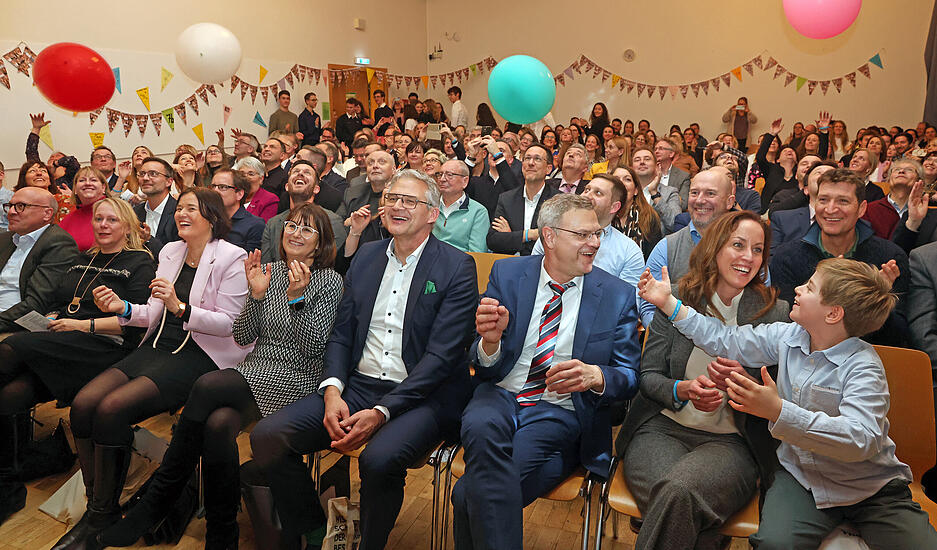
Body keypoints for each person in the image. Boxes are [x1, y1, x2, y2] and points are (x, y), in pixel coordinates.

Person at [638, 258, 937, 550]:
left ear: (832, 314)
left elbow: (861, 438)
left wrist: (777, 411)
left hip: (872, 490)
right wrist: (669, 305)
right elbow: (724, 339)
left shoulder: (864, 366)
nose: (797, 290)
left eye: (809, 287)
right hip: (802, 480)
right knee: (774, 543)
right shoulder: (788, 336)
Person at [250, 169, 478, 550]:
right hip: (359, 386)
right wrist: (333, 391)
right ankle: (316, 529)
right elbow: (342, 333)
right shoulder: (367, 257)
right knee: (268, 436)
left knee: (378, 459)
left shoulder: (456, 266)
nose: (397, 206)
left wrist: (382, 412)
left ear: (433, 214)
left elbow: (442, 357)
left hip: (424, 395)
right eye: (391, 198)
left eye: (410, 201)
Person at [97, 203, 342, 549]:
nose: (296, 233)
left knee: (208, 384)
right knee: (216, 426)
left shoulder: (328, 281)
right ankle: (221, 532)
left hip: (296, 376)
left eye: (307, 229)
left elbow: (313, 347)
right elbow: (242, 336)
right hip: (256, 370)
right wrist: (257, 296)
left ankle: (157, 500)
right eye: (291, 226)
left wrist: (297, 298)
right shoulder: (267, 271)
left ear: (320, 244)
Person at [53, 187, 250, 549]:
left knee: (112, 409)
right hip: (158, 345)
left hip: (199, 354)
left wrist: (180, 308)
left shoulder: (231, 258)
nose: (181, 214)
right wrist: (123, 308)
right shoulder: (172, 251)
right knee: (83, 404)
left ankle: (102, 512)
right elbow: (152, 314)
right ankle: (100, 510)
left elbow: (231, 325)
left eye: (191, 209)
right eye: (181, 209)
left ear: (211, 216)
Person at [452, 193, 640, 550]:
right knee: (478, 426)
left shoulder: (616, 294)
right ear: (550, 236)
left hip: (559, 408)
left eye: (597, 234)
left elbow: (630, 376)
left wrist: (596, 376)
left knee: (468, 494)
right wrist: (489, 343)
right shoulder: (508, 274)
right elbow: (481, 360)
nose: (595, 243)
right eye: (583, 235)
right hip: (500, 393)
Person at [617, 210, 788, 550]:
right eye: (738, 245)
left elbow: (782, 398)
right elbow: (648, 377)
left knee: (679, 495)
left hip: (731, 442)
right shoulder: (676, 296)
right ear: (714, 247)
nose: (748, 257)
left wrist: (744, 384)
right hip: (661, 429)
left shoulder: (775, 312)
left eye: (757, 250)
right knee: (690, 510)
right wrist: (682, 390)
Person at [0, 198, 154, 526]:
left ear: (127, 225)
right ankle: (7, 486)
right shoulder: (83, 259)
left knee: (10, 347)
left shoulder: (140, 263)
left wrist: (79, 324)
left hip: (103, 345)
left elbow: (139, 321)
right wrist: (54, 316)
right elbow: (57, 300)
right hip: (62, 341)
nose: (103, 225)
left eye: (112, 219)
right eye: (98, 219)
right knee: (9, 397)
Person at [770, 168, 909, 347]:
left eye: (843, 201)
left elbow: (898, 336)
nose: (830, 209)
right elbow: (792, 327)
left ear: (861, 209)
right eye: (823, 200)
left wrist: (878, 299)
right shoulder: (787, 257)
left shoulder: (889, 258)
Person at [639, 169, 737, 327]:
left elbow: (756, 305)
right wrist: (664, 337)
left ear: (729, 202)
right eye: (694, 193)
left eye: (710, 194)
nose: (700, 200)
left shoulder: (747, 250)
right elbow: (648, 305)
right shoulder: (667, 247)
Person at [533, 173, 645, 288]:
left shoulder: (628, 252)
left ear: (614, 207)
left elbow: (626, 300)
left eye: (598, 193)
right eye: (586, 190)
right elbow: (533, 276)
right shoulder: (555, 232)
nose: (587, 196)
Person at [0, 187, 79, 334]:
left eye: (20, 206)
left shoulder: (58, 243)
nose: (11, 212)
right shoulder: (5, 239)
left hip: (16, 326)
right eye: (9, 206)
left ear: (47, 213)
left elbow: (36, 304)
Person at [487, 143, 559, 255]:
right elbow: (493, 241)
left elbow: (557, 244)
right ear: (522, 166)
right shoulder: (506, 199)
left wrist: (512, 236)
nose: (531, 163)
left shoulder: (558, 201)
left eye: (537, 159)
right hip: (511, 266)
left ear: (548, 169)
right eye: (527, 158)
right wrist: (529, 235)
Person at [770, 162, 836, 250]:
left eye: (830, 173)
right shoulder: (782, 219)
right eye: (818, 173)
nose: (824, 175)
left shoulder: (850, 218)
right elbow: (772, 257)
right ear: (806, 189)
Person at [433, 159, 489, 252]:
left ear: (465, 181)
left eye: (449, 175)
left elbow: (477, 253)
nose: (442, 179)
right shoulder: (430, 206)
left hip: (460, 264)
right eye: (440, 174)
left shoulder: (478, 212)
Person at [611, 166, 663, 260]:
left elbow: (653, 258)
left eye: (627, 179)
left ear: (636, 190)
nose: (621, 183)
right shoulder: (601, 216)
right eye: (616, 179)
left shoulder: (649, 217)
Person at [862, 158, 921, 239]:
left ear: (919, 181)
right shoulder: (869, 210)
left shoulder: (925, 212)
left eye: (909, 170)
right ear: (889, 180)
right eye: (896, 170)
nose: (901, 171)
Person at [132, 157, 179, 256]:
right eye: (142, 174)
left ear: (169, 181)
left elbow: (177, 256)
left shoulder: (179, 212)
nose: (145, 178)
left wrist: (149, 240)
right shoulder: (134, 213)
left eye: (153, 174)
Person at [210, 169, 264, 253]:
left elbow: (248, 261)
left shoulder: (254, 225)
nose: (215, 191)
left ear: (239, 194)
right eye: (213, 186)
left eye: (223, 187)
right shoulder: (207, 219)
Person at [465, 137, 521, 216]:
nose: (494, 153)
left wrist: (497, 155)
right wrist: (471, 157)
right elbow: (459, 184)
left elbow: (512, 190)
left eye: (501, 151)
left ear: (511, 159)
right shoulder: (476, 182)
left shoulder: (517, 181)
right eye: (492, 150)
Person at [59, 167, 110, 252]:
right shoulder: (69, 219)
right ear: (74, 189)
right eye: (82, 180)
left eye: (93, 180)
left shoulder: (116, 211)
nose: (87, 183)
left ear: (103, 187)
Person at [632, 148, 681, 234]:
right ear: (631, 167)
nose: (642, 162)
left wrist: (654, 193)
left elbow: (675, 225)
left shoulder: (670, 192)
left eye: (647, 159)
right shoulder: (626, 192)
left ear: (657, 166)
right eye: (637, 160)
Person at [234, 156, 279, 222]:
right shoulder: (232, 195)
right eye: (242, 174)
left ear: (261, 179)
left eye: (251, 174)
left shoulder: (270, 200)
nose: (246, 178)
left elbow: (263, 228)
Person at [655, 138, 693, 207]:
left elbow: (684, 204)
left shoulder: (683, 176)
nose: (656, 151)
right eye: (655, 149)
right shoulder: (649, 174)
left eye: (661, 148)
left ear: (671, 153)